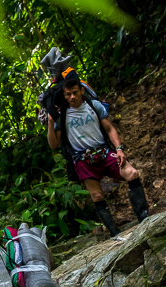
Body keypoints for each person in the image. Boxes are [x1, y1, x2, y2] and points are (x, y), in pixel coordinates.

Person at [46, 72, 149, 236]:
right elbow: (53, 144)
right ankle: (115, 233)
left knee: (132, 174)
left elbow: (109, 128)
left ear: (81, 91)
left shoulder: (94, 106)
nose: (72, 97)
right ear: (64, 96)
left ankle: (145, 220)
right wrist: (51, 122)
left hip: (104, 152)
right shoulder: (62, 116)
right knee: (97, 195)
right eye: (68, 94)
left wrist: (119, 149)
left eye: (74, 92)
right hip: (82, 160)